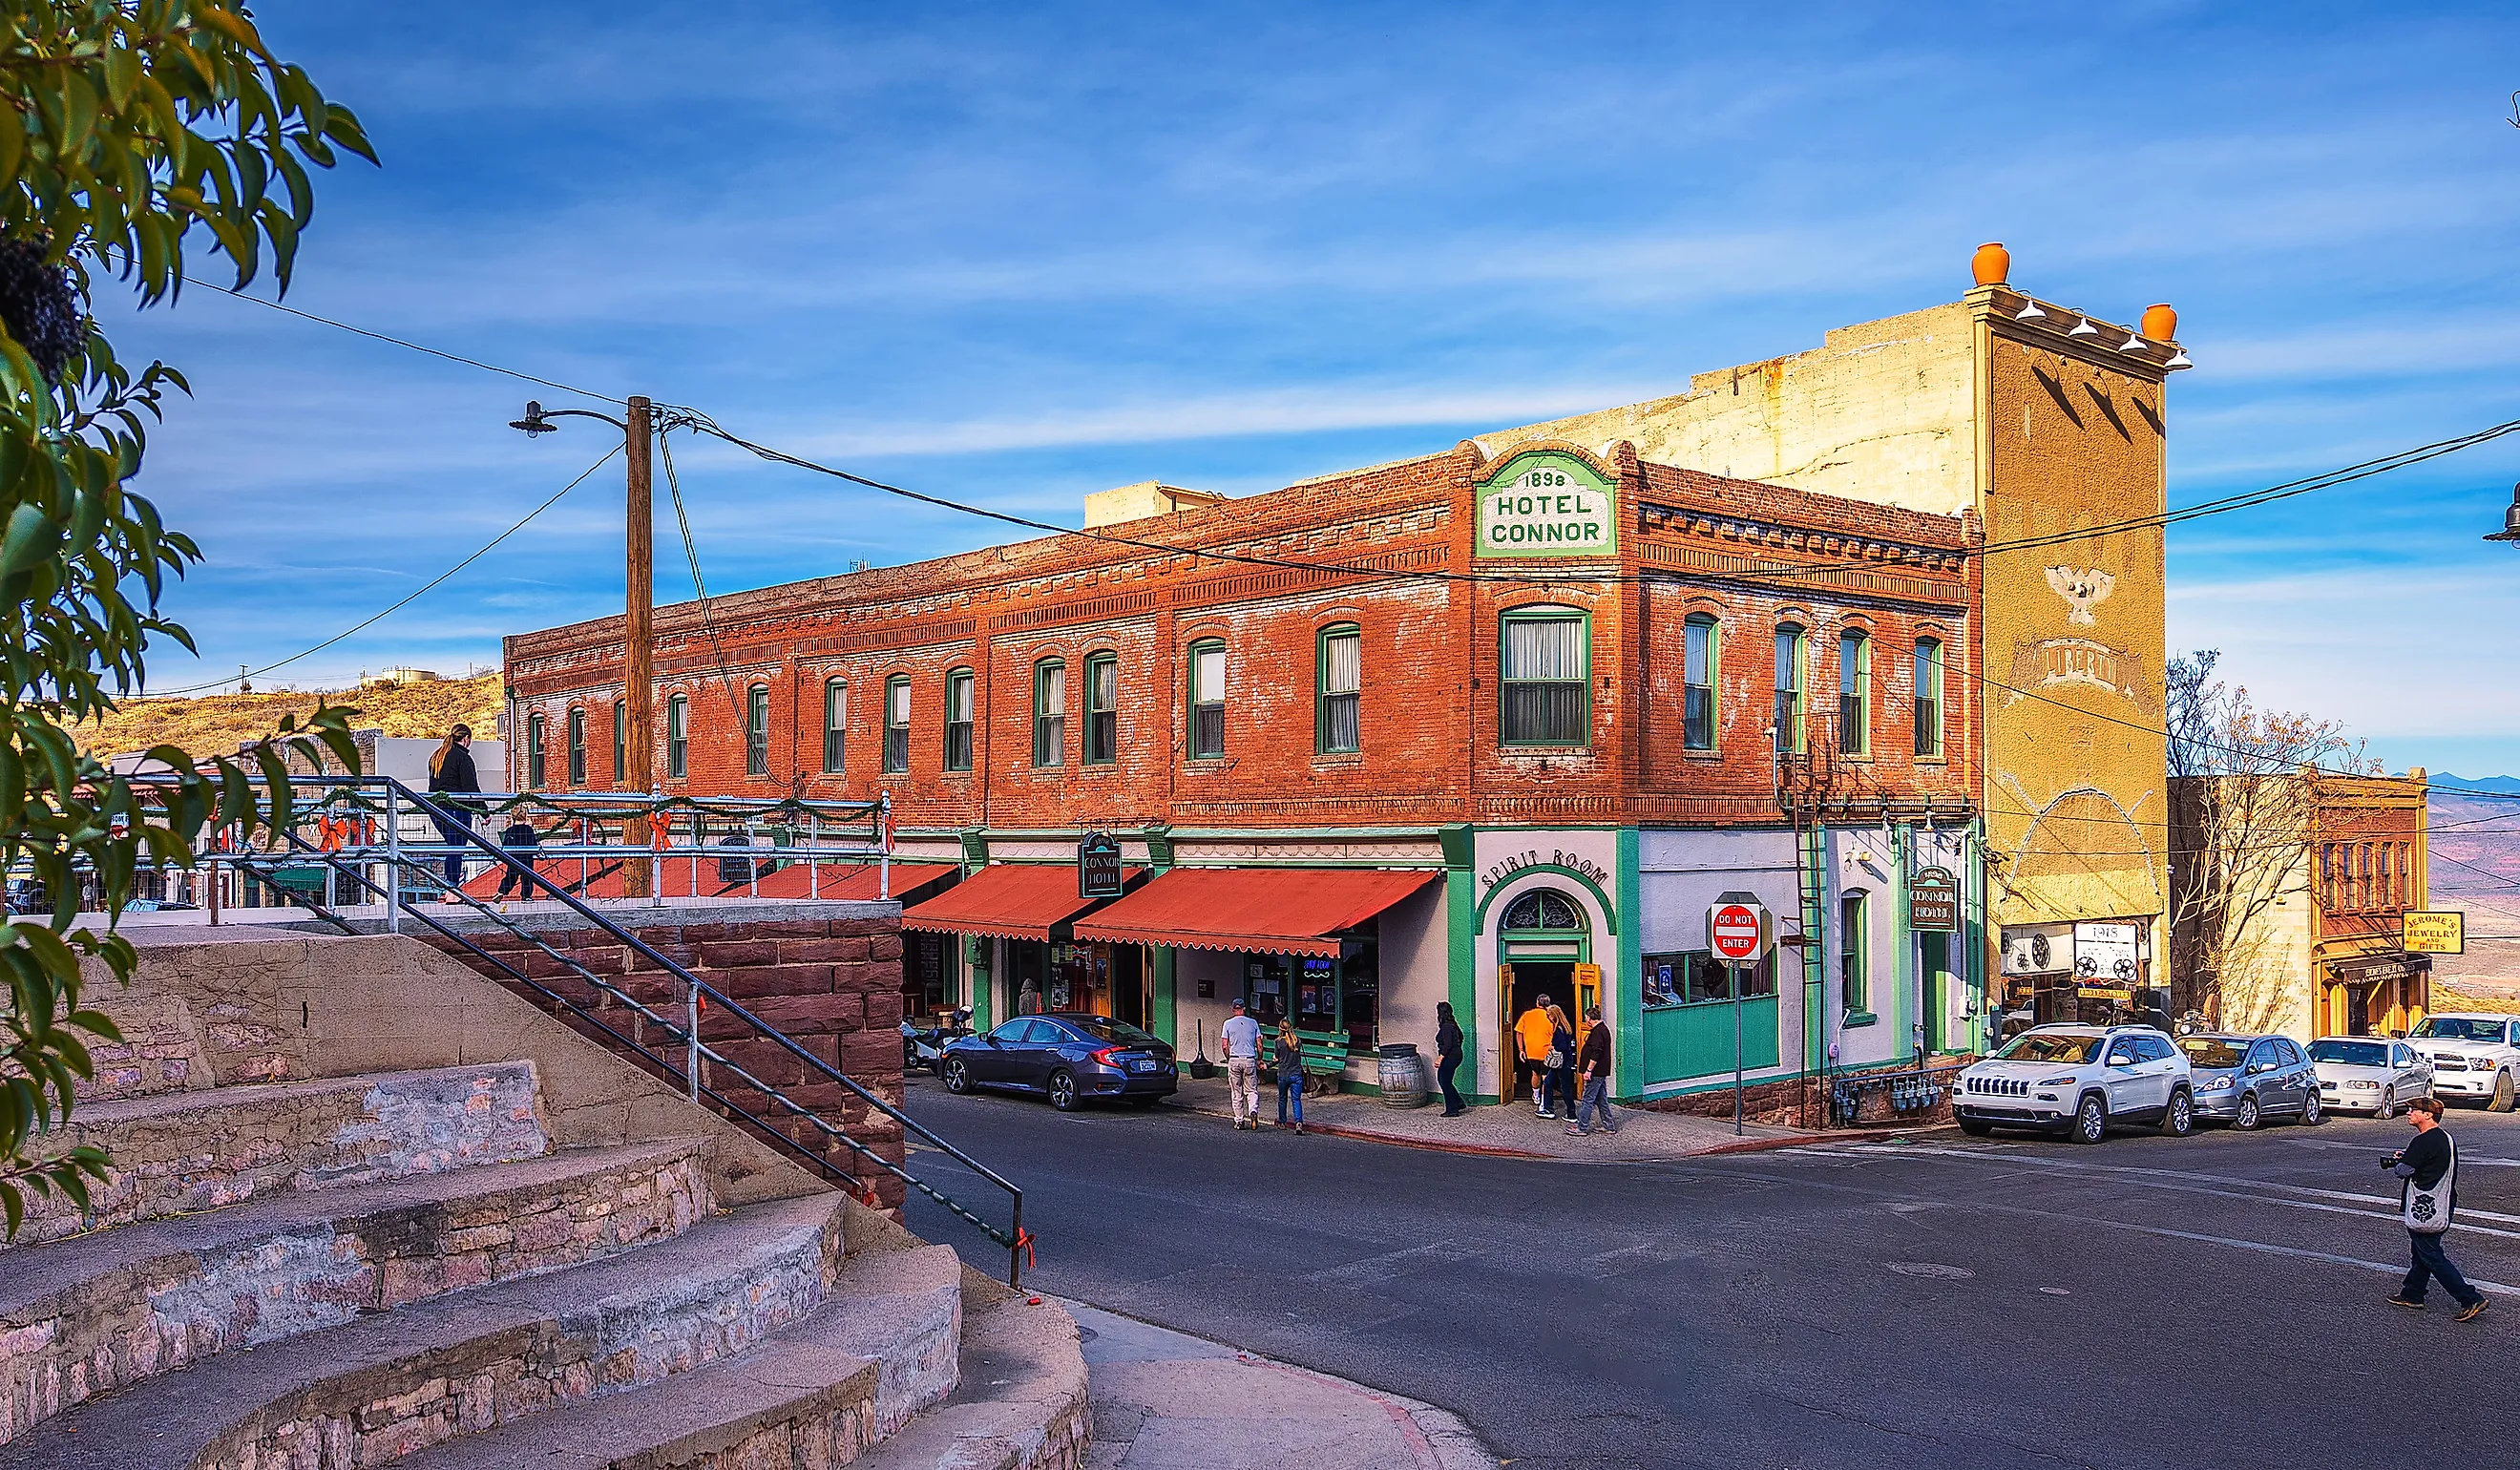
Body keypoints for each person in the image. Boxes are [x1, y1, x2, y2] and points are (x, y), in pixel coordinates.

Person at [2385, 1095, 2488, 1320]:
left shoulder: (2423, 1141)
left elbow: (2403, 1171)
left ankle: (2469, 1298)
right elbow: (2433, 1163)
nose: (2408, 1113)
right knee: (2422, 1250)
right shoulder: (2445, 1139)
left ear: (2428, 1114)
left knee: (2431, 1255)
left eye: (2413, 1110)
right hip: (2444, 1202)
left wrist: (2402, 1162)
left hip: (2426, 1207)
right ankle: (2413, 1293)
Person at [425, 724, 481, 902]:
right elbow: (471, 788)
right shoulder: (462, 758)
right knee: (457, 847)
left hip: (436, 809)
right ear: (466, 739)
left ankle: (450, 887)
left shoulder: (436, 757)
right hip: (458, 808)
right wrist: (484, 812)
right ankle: (452, 889)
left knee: (452, 846)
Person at [1567, 1004, 1621, 1136]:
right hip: (1601, 1071)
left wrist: (1589, 1070)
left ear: (1590, 1018)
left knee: (1588, 1099)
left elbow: (1596, 1052)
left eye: (1586, 1018)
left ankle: (1582, 1127)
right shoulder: (1603, 1029)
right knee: (1601, 1100)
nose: (1586, 1021)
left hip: (1596, 1072)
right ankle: (1609, 1125)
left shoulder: (1597, 1032)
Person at [1219, 998, 1264, 1131]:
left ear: (1233, 1009)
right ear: (1244, 1008)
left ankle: (1239, 1120)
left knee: (1236, 1091)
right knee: (1251, 1090)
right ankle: (1253, 1111)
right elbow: (1260, 1045)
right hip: (1249, 1059)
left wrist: (1229, 1059)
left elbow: (1224, 1046)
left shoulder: (1227, 1024)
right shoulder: (1253, 1023)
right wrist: (1259, 1059)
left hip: (1234, 1059)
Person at [1514, 994, 1557, 1118]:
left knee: (1535, 1073)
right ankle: (1543, 1103)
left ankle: (1536, 1095)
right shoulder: (1551, 1016)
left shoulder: (1527, 1015)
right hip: (1546, 1051)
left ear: (1537, 1003)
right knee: (1545, 1077)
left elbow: (1519, 1033)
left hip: (1531, 1051)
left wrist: (1521, 1049)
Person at [492, 815, 541, 902]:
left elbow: (506, 845)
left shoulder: (510, 830)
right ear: (525, 817)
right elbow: (533, 843)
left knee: (511, 876)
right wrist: (538, 853)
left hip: (514, 857)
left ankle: (502, 891)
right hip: (526, 857)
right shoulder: (528, 830)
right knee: (527, 877)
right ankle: (526, 896)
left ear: (513, 817)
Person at [1544, 1002, 1578, 1120]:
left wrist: (1553, 1047)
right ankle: (1551, 1109)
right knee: (1550, 1083)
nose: (1548, 1017)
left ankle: (1569, 1112)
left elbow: (1563, 1046)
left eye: (1549, 1015)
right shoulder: (1566, 1027)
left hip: (1561, 1061)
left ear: (1554, 1015)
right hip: (1566, 1060)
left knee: (1563, 1087)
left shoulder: (1558, 1029)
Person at [1274, 1017, 1307, 1134]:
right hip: (1296, 1074)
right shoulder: (1298, 1041)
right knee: (1296, 1100)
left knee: (1282, 1099)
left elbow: (1277, 1058)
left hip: (1283, 1074)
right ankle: (1298, 1123)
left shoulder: (1278, 1042)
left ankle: (1282, 1122)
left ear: (1280, 1029)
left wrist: (1268, 1065)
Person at [1435, 1000, 1466, 1117]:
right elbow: (1461, 1037)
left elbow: (1447, 1044)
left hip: (1450, 1057)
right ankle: (1458, 1102)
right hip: (1456, 1055)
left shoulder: (1446, 1027)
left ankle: (1452, 1109)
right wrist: (1457, 1048)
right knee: (1444, 1080)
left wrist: (1440, 1058)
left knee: (1445, 1081)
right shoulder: (1453, 1024)